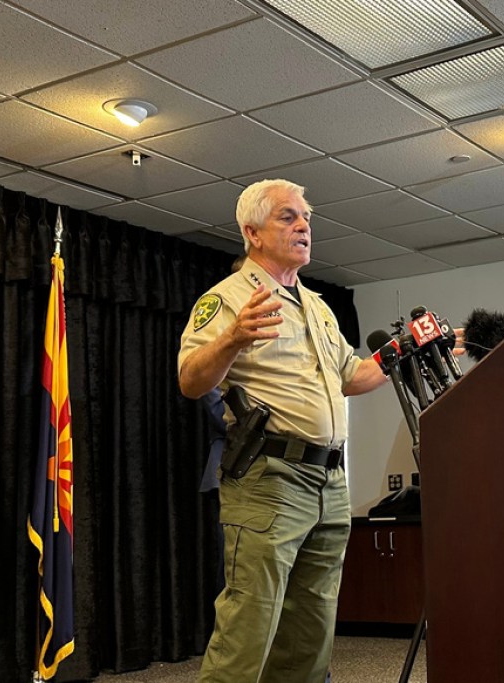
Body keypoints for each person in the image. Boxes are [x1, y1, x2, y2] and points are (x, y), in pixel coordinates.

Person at [178, 179, 391, 682]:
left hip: (329, 483)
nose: (303, 226)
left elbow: (352, 376)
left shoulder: (317, 306)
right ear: (252, 232)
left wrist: (402, 353)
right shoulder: (227, 299)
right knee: (248, 626)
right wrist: (233, 338)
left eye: (307, 218)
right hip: (270, 479)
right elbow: (190, 379)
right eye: (288, 217)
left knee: (311, 630)